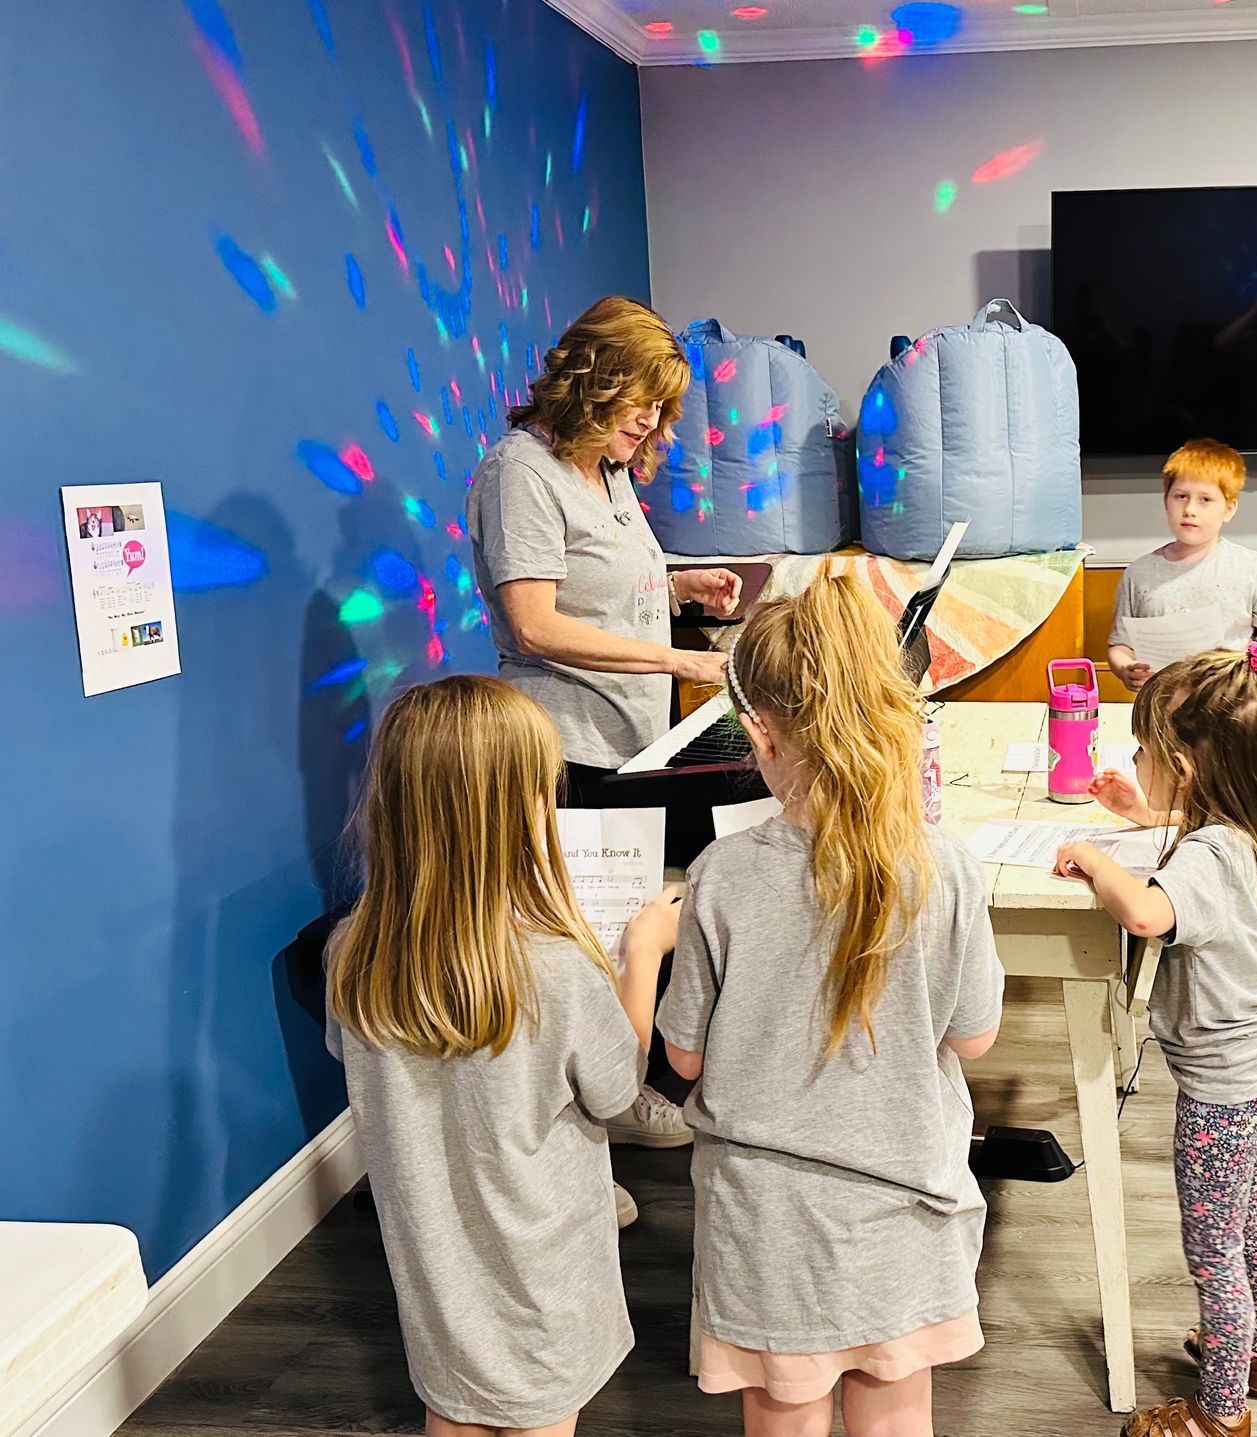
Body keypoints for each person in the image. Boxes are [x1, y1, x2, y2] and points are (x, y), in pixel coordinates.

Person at [657, 575, 1004, 1437]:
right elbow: (976, 1035)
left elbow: (687, 1059)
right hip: (907, 1209)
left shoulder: (721, 877)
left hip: (766, 1224)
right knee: (895, 1420)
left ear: (762, 733)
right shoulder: (947, 867)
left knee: (785, 1416)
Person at [325, 675, 686, 1437]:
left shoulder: (351, 953)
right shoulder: (557, 967)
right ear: (515, 813)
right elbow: (618, 1087)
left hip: (433, 1271)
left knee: (453, 1409)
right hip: (541, 1278)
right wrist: (643, 956)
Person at [467, 295, 740, 1152]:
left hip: (633, 742)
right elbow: (536, 625)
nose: (653, 425)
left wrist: (683, 586)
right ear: (594, 382)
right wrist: (683, 661)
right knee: (595, 937)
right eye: (642, 406)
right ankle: (607, 1110)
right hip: (565, 746)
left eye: (664, 410)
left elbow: (608, 585)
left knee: (698, 874)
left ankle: (658, 1073)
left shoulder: (608, 471)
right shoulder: (522, 471)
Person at [1059, 642, 1257, 1437]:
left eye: (1141, 752)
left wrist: (1095, 857)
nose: (1134, 759)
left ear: (1183, 764)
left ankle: (1220, 1412)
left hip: (1216, 1091)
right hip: (1255, 1070)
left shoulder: (1209, 854)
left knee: (1212, 1250)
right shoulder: (1255, 824)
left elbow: (1144, 912)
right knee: (1247, 1222)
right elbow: (1198, 858)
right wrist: (1144, 817)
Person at [1108, 439, 1257, 693]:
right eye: (1181, 497)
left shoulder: (1251, 569)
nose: (1190, 510)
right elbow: (1120, 645)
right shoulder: (1138, 573)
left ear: (1229, 509)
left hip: (1232, 705)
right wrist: (1125, 668)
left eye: (1205, 499)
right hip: (1161, 705)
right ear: (1166, 500)